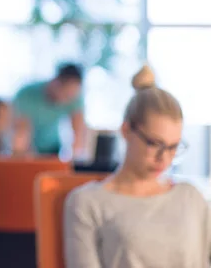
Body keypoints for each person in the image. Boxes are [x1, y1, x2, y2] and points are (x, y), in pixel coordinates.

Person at [63, 65, 210, 268]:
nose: (164, 158)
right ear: (126, 130)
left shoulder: (191, 198)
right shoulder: (87, 202)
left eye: (173, 147)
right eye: (154, 144)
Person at [11, 63, 86, 156]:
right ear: (55, 82)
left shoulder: (75, 98)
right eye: (66, 94)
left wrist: (74, 158)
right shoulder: (26, 94)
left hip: (53, 149)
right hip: (27, 148)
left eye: (71, 96)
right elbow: (21, 132)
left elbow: (78, 133)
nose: (67, 100)